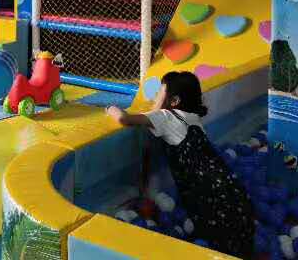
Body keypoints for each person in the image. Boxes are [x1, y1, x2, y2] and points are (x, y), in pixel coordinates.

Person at [106, 71, 255, 258]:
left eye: (160, 92)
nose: (157, 96)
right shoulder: (193, 118)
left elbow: (124, 119)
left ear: (174, 101)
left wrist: (110, 108)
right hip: (226, 183)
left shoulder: (165, 116)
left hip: (204, 190)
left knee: (214, 238)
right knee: (234, 238)